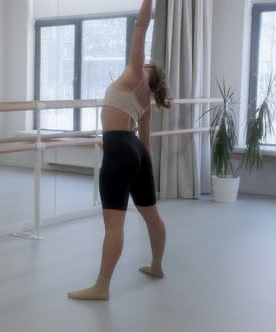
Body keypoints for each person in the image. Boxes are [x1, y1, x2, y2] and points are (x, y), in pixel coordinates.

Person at [68, 0, 172, 301]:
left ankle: (101, 286)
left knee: (114, 223)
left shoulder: (133, 74)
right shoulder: (145, 100)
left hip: (118, 147)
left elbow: (141, 26)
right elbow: (148, 144)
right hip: (136, 150)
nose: (144, 60)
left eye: (147, 63)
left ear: (147, 72)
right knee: (151, 215)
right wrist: (139, 162)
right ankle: (156, 266)